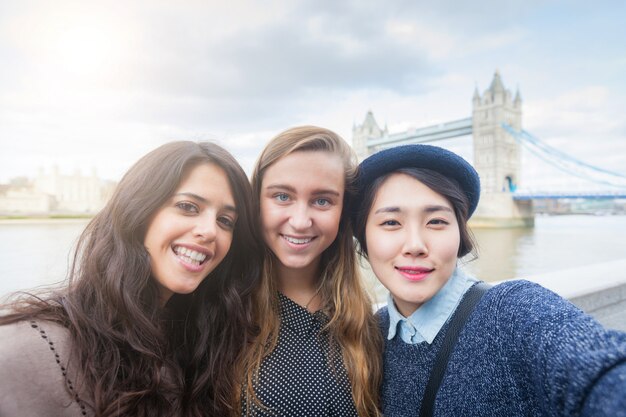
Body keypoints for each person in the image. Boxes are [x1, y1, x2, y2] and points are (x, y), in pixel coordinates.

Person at [351, 144, 626, 417]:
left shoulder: (512, 312)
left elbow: (602, 370)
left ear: (460, 233)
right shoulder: (371, 334)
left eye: (436, 221)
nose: (415, 245)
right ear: (363, 239)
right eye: (390, 223)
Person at [0, 141, 262, 417]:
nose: (209, 231)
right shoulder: (26, 350)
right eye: (188, 206)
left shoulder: (202, 348)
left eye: (225, 221)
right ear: (138, 211)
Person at [240, 126, 382, 417]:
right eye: (282, 196)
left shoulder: (364, 322)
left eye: (322, 201)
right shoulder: (222, 313)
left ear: (343, 212)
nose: (301, 221)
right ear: (256, 202)